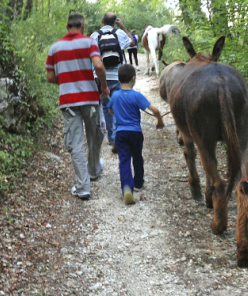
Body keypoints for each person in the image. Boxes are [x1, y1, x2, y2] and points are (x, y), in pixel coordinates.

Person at [46, 13, 110, 200]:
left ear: (67, 27)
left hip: (69, 102)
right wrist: (104, 86)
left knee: (75, 143)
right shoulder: (89, 42)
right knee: (95, 135)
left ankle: (83, 188)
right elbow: (98, 65)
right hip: (90, 98)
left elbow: (50, 77)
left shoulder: (54, 47)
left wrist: (67, 80)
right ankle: (93, 170)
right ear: (83, 27)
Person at [107, 64, 164, 205]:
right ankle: (138, 183)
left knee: (124, 160)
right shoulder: (137, 96)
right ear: (134, 79)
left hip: (120, 133)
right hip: (136, 133)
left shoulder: (115, 95)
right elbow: (155, 110)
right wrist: (160, 122)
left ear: (119, 80)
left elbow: (110, 111)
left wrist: (118, 112)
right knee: (137, 157)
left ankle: (127, 188)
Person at [90, 12, 135, 154]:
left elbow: (91, 57)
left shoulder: (94, 35)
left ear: (102, 21)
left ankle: (111, 136)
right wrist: (123, 27)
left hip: (102, 77)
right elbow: (132, 43)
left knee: (106, 106)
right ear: (115, 22)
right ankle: (118, 136)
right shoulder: (120, 33)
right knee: (119, 105)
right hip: (118, 76)